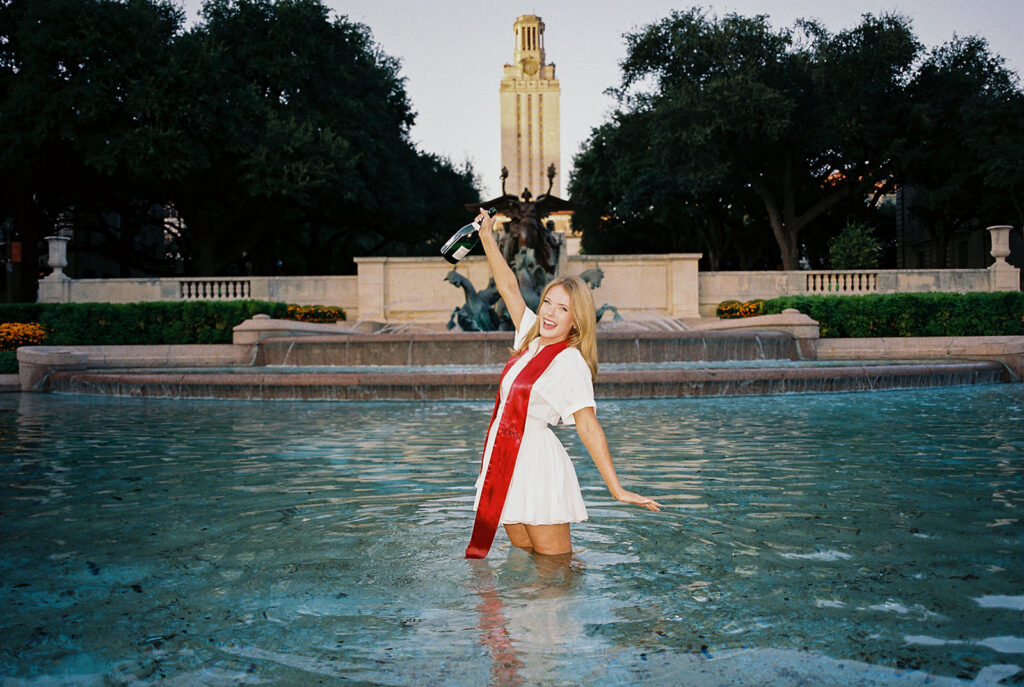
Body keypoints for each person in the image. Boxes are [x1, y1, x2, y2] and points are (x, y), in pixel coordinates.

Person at [465, 210, 661, 560]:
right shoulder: (529, 336)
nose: (550, 314)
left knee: (555, 570)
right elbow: (508, 285)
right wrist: (486, 236)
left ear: (576, 320)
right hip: (504, 460)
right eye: (547, 304)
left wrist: (615, 488)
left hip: (537, 467)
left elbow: (587, 425)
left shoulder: (569, 361)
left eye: (563, 309)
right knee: (525, 557)